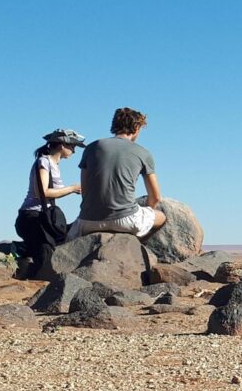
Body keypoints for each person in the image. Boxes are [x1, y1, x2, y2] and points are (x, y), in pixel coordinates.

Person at [68, 107, 167, 240]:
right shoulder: (143, 152)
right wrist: (148, 210)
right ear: (137, 128)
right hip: (126, 220)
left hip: (87, 221)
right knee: (162, 217)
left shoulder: (91, 148)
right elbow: (155, 197)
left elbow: (85, 190)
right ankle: (136, 245)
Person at [14, 129, 85, 278]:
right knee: (45, 262)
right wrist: (71, 188)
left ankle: (25, 250)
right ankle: (20, 251)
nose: (74, 150)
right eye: (72, 146)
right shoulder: (44, 161)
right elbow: (43, 192)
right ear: (61, 145)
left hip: (42, 218)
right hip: (33, 218)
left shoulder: (53, 164)